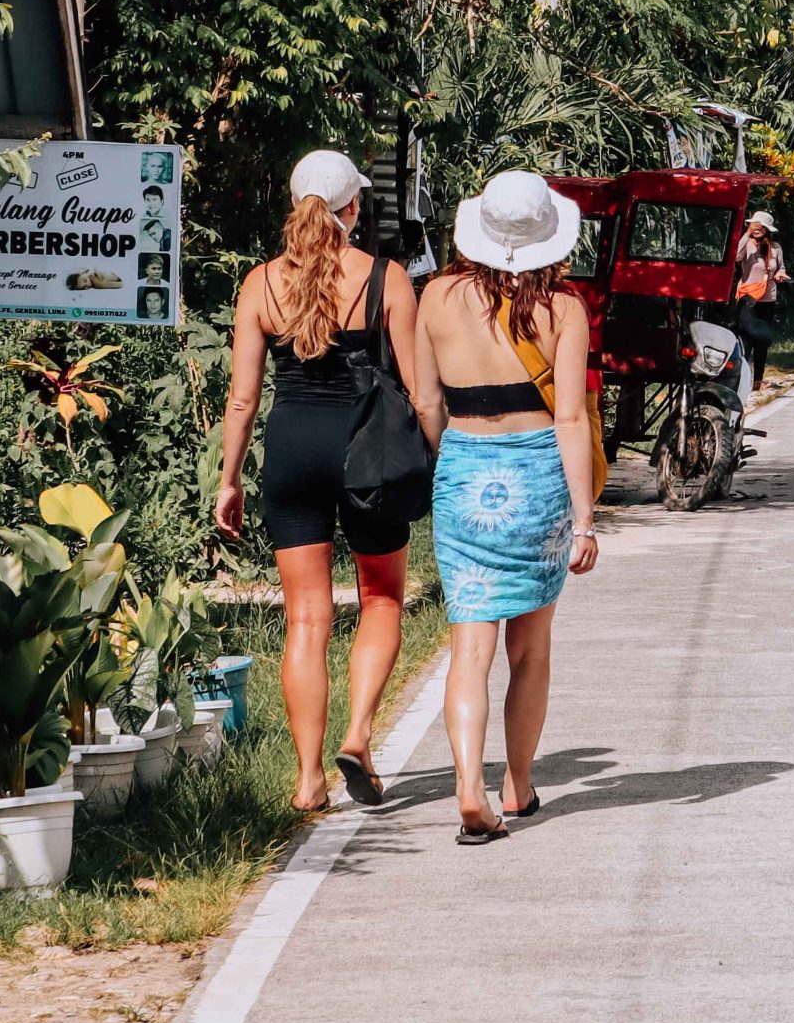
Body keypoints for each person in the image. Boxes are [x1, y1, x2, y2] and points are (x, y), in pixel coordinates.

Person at [217, 150, 419, 814]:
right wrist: (441, 459)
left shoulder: (259, 285)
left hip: (291, 449)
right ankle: (358, 735)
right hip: (365, 451)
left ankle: (308, 780)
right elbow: (420, 391)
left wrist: (230, 480)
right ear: (352, 210)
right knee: (382, 595)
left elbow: (243, 399)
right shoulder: (385, 279)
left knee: (306, 616)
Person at [414, 171, 599, 845]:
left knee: (470, 648)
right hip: (539, 477)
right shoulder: (565, 310)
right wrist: (584, 519)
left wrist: (457, 461)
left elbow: (427, 403)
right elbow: (572, 419)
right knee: (531, 648)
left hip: (464, 468)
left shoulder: (434, 297)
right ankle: (517, 785)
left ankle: (468, 786)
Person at [733, 211, 788, 391]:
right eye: (754, 225)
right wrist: (746, 234)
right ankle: (740, 380)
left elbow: (780, 268)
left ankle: (757, 381)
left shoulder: (776, 248)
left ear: (767, 229)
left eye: (760, 226)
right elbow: (735, 257)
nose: (757, 229)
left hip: (768, 298)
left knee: (762, 342)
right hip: (748, 297)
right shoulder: (747, 244)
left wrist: (780, 275)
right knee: (747, 338)